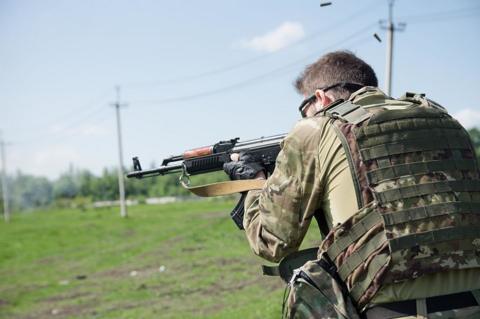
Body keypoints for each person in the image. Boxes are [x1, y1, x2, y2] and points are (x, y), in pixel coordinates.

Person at [224, 51, 480, 318]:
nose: (304, 117)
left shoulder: (315, 129)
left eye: (304, 109)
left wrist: (254, 184)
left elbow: (271, 241)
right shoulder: (446, 121)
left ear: (321, 98)